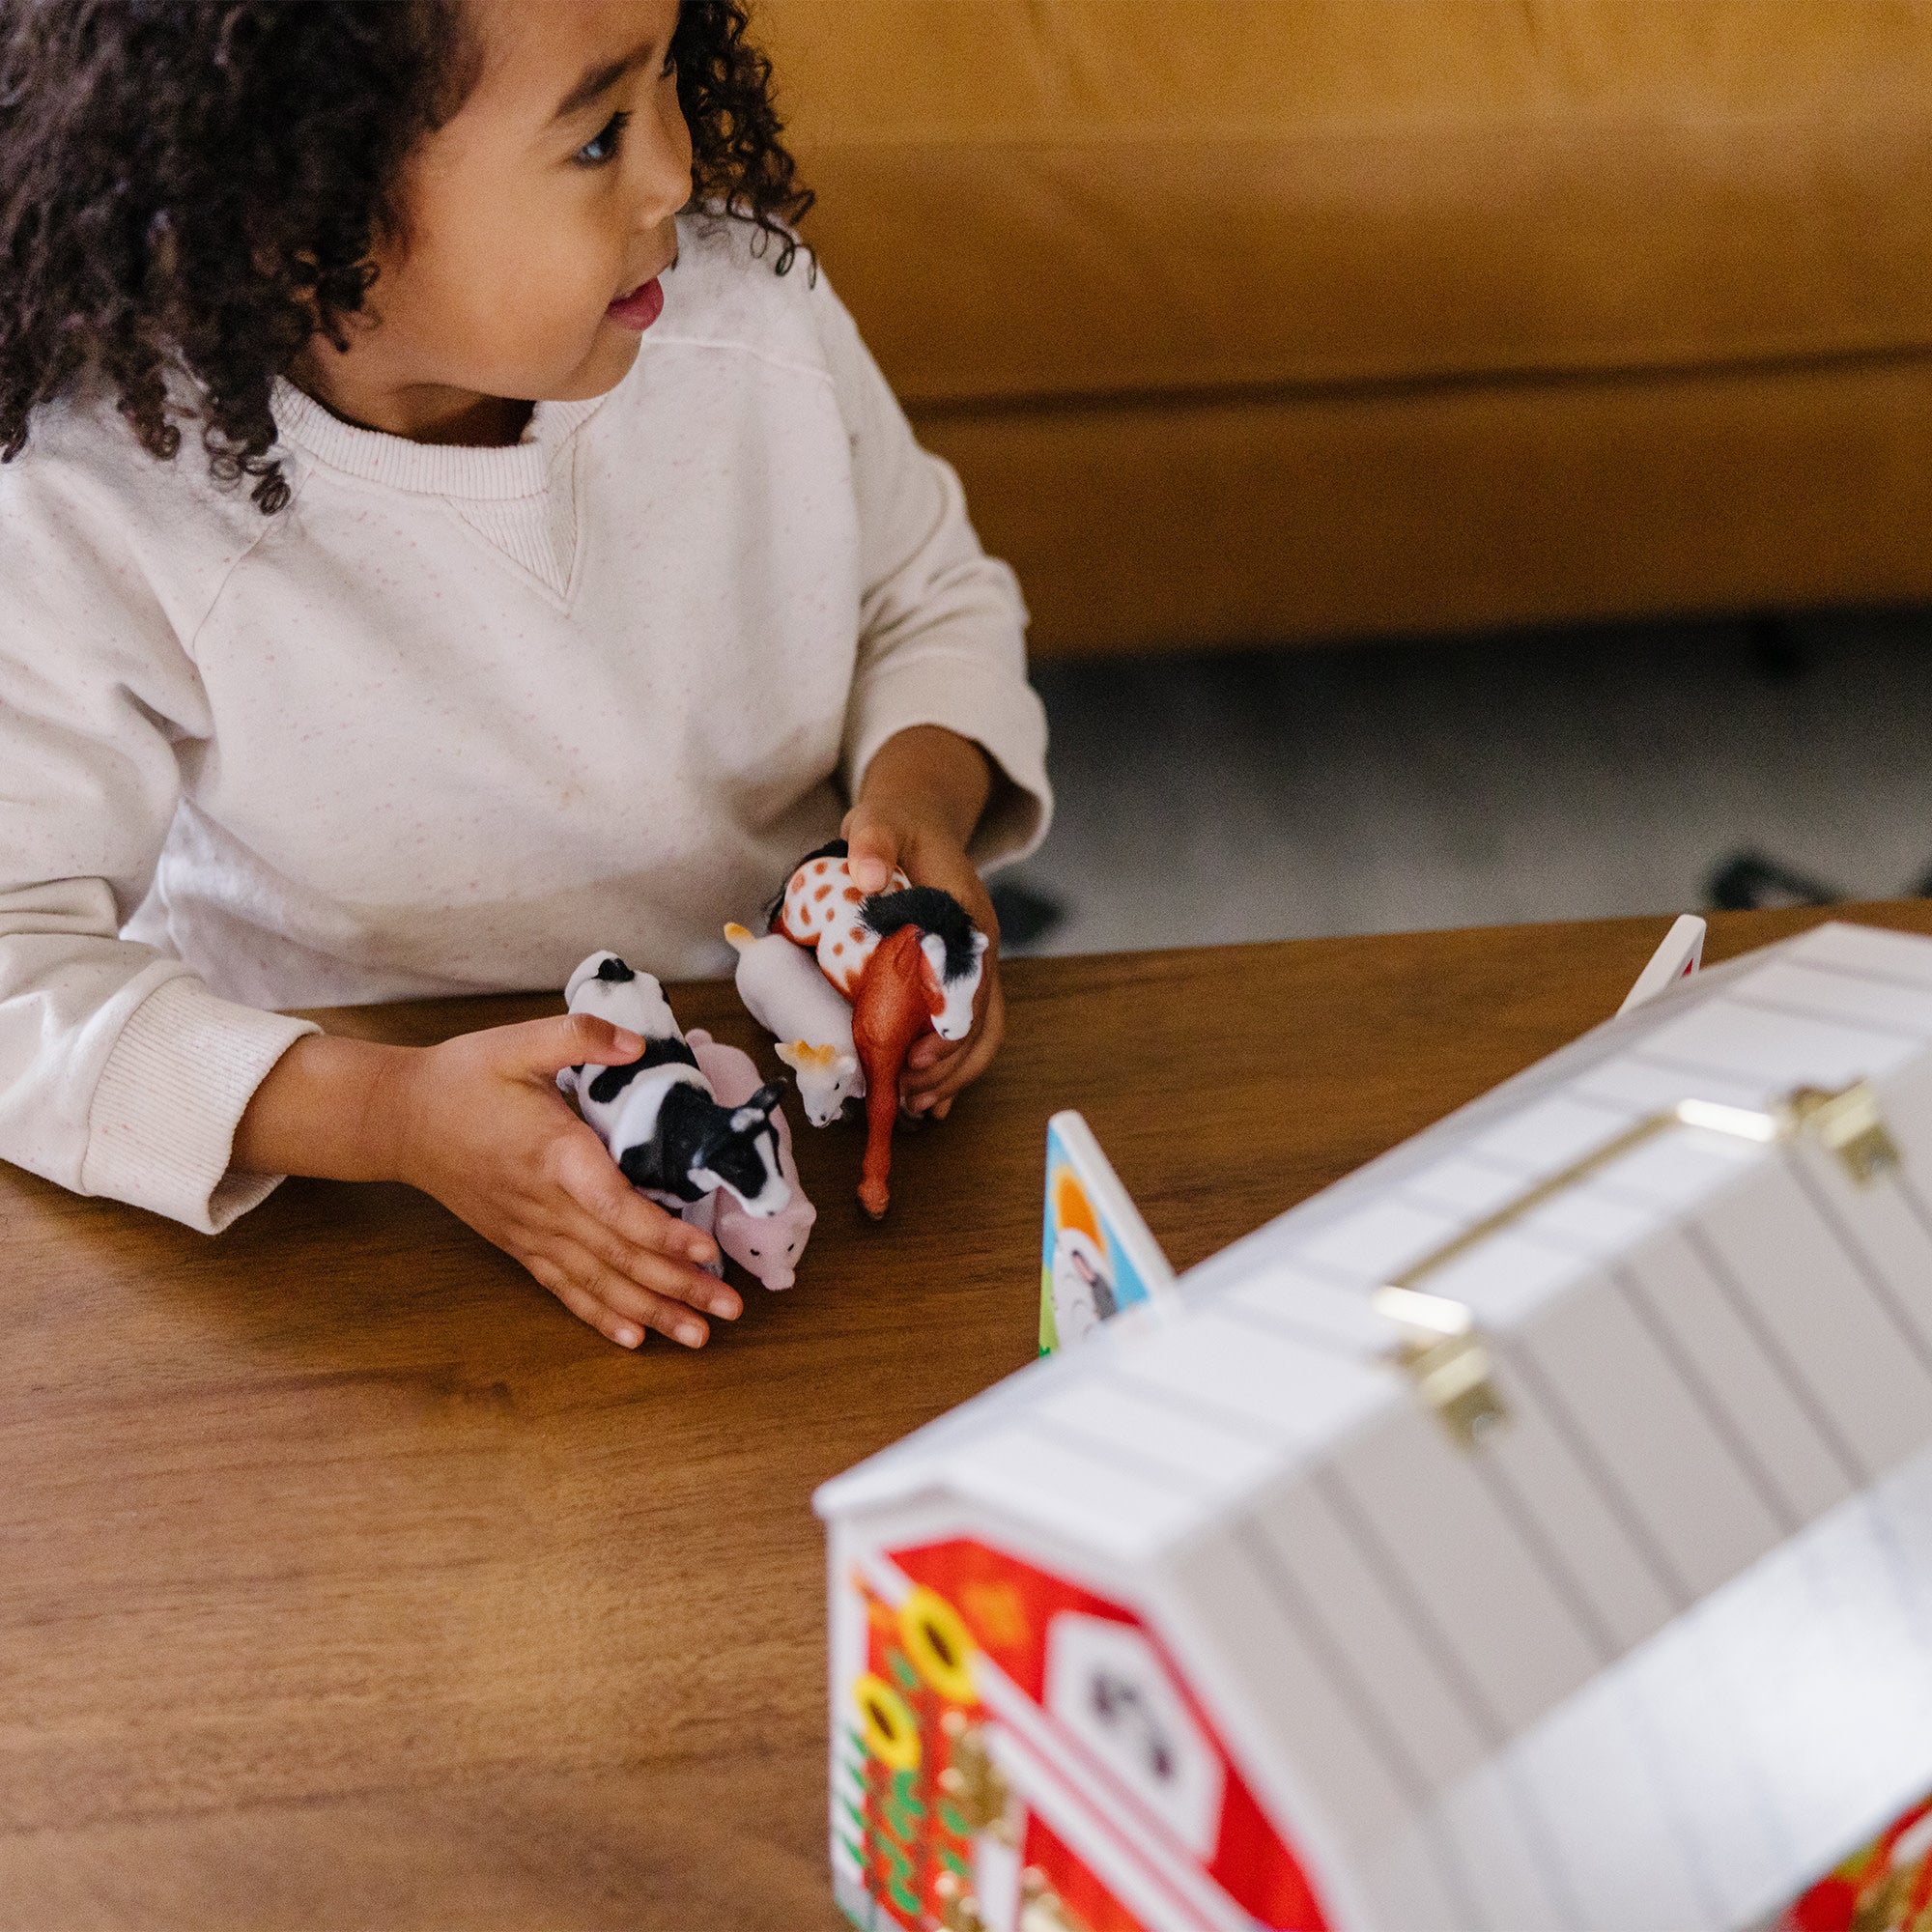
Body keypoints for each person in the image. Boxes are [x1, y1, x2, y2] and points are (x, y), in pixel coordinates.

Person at [0, 0, 1050, 1350]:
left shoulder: (749, 320)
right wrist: (389, 1117)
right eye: (600, 131)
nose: (676, 170)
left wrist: (923, 806)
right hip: (343, 1214)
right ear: (294, 204)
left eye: (673, 77)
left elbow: (929, 597)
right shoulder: (99, 500)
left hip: (783, 1110)